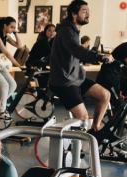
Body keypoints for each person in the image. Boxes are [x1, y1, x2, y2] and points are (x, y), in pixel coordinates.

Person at [49, 0, 113, 132]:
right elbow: (76, 50)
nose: (88, 15)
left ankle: (95, 129)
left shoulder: (73, 30)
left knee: (104, 95)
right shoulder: (67, 31)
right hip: (64, 82)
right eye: (84, 11)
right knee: (83, 118)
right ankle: (68, 147)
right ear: (74, 14)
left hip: (76, 78)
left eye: (88, 12)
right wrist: (99, 57)